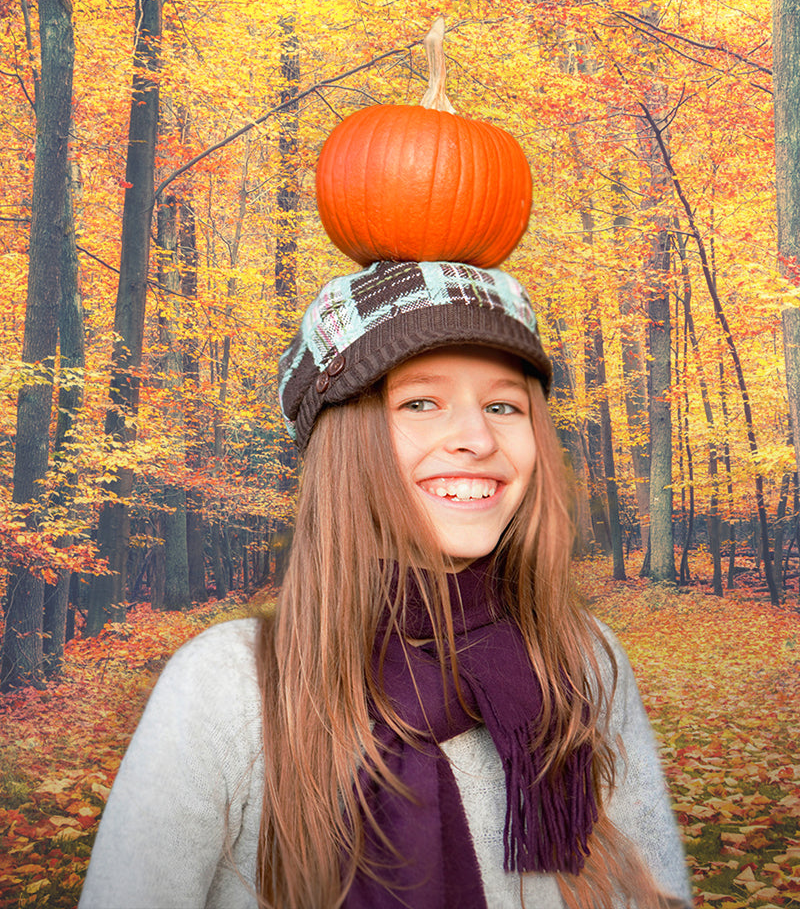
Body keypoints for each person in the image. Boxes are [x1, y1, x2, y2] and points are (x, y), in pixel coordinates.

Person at [80, 259, 693, 909]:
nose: (476, 438)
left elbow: (654, 894)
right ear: (344, 440)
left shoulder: (581, 660)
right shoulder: (228, 686)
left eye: (503, 404)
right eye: (421, 402)